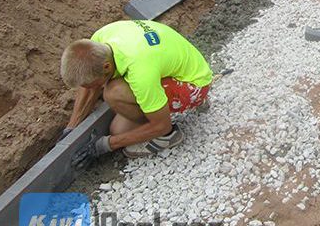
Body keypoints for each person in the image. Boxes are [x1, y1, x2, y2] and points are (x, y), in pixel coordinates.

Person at [59, 20, 212, 160]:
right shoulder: (99, 39)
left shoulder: (140, 73)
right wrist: (71, 128)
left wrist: (106, 145)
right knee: (118, 129)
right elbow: (88, 87)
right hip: (169, 63)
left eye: (92, 84)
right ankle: (156, 107)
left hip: (193, 85)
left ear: (106, 66)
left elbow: (162, 125)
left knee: (113, 93)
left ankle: (169, 137)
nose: (91, 89)